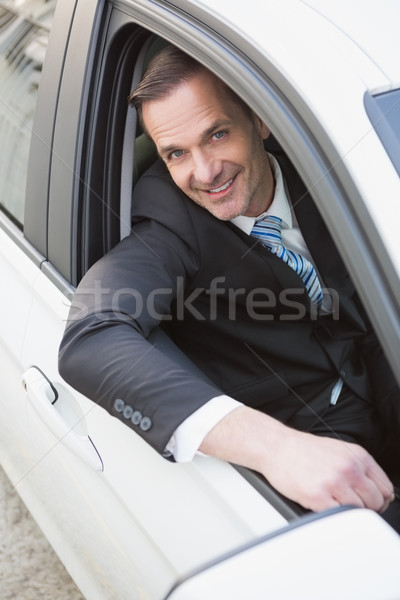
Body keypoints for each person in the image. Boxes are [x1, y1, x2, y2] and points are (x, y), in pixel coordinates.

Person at [59, 45, 399, 526]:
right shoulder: (168, 221)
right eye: (176, 153)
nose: (204, 172)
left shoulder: (328, 153)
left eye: (217, 134)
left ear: (259, 121)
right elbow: (91, 338)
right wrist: (276, 449)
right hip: (310, 440)